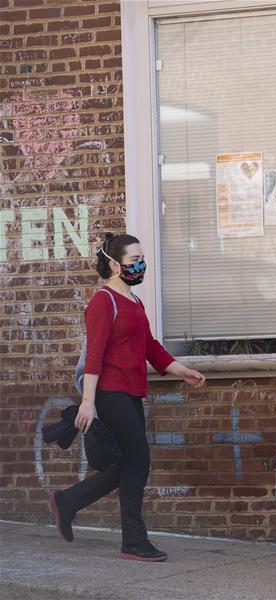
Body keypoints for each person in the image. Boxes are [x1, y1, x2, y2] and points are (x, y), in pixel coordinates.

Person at [47, 232, 206, 562]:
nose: (141, 265)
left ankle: (68, 501)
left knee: (129, 463)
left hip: (130, 392)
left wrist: (182, 371)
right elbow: (95, 356)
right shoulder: (103, 302)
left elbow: (150, 347)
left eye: (141, 259)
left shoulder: (133, 301)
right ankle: (133, 540)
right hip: (109, 391)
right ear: (114, 265)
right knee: (138, 462)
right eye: (135, 260)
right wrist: (88, 401)